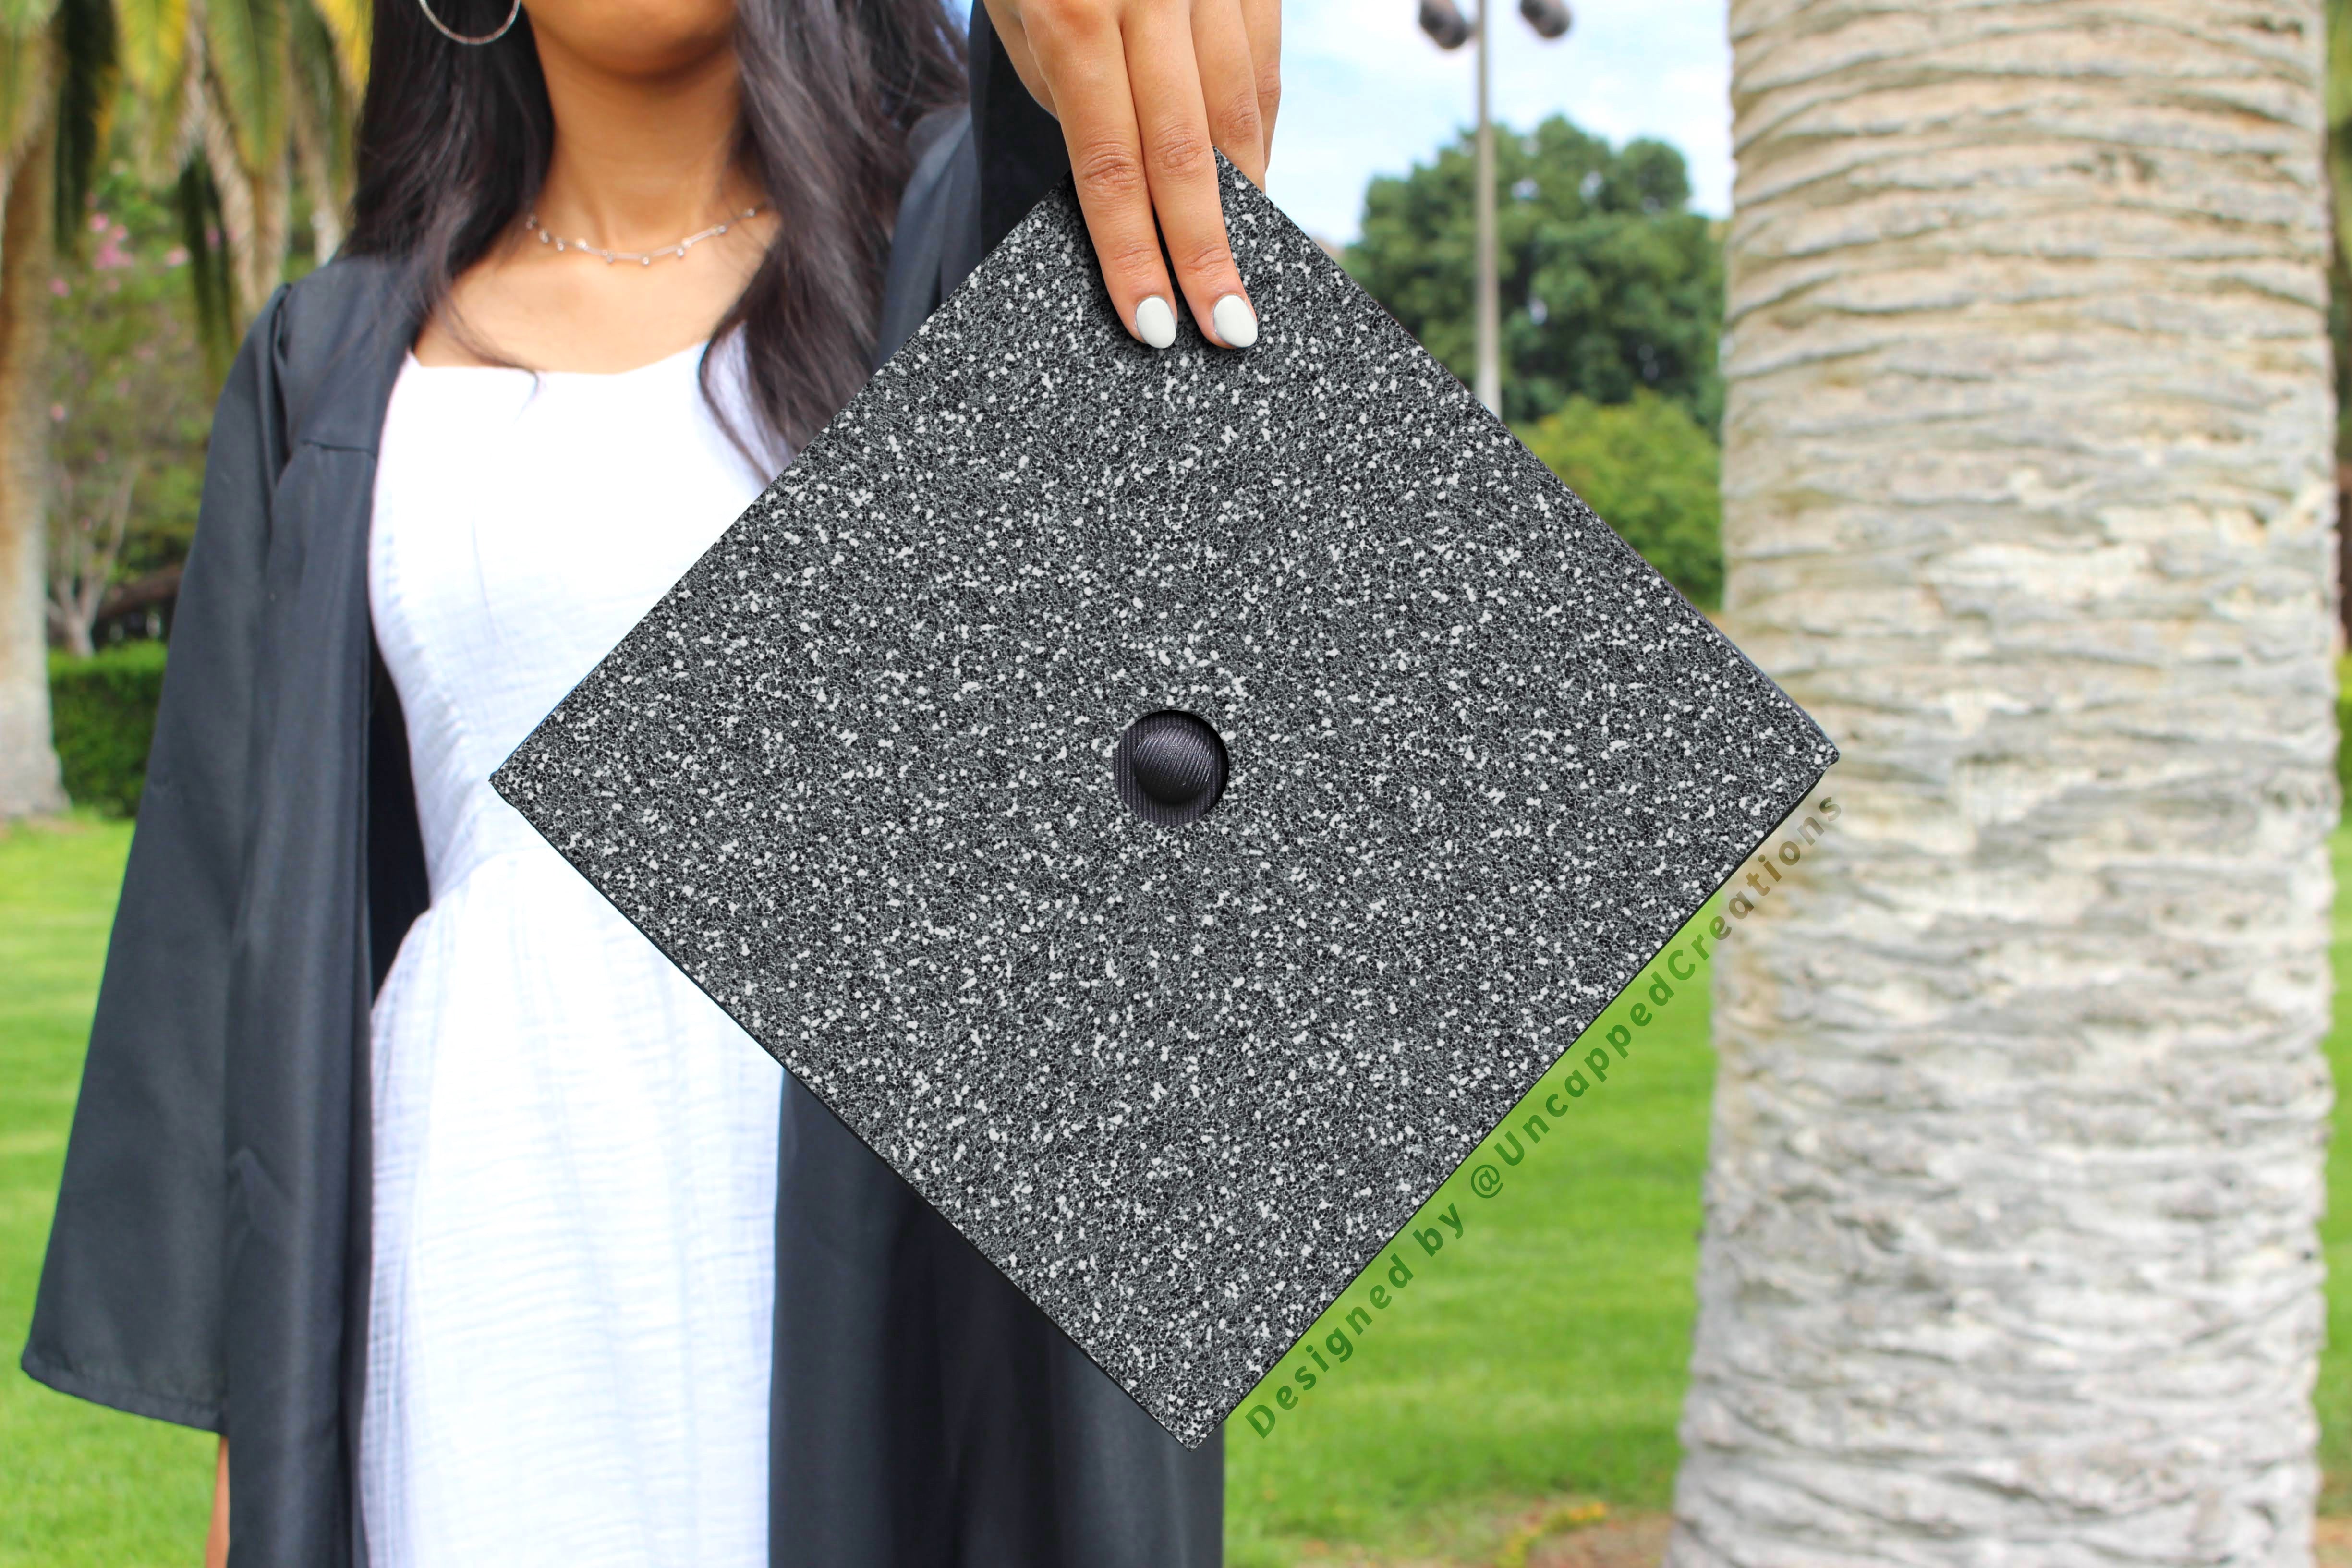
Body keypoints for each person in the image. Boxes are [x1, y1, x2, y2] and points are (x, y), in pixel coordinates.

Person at [21, 0, 1280, 1563]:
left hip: (874, 1258)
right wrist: (256, 1477)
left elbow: (1138, 439)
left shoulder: (945, 251)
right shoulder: (332, 363)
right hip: (479, 1234)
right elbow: (242, 937)